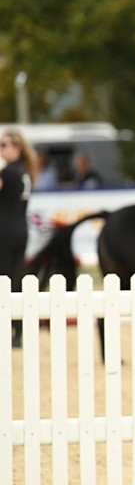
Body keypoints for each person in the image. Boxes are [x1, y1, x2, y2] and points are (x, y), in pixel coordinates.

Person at [0, 129, 38, 347]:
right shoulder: (25, 172)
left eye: (4, 144)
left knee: (5, 281)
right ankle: (19, 331)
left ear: (17, 148)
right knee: (14, 280)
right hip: (20, 230)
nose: (1, 148)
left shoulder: (8, 173)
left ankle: (12, 329)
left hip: (4, 232)